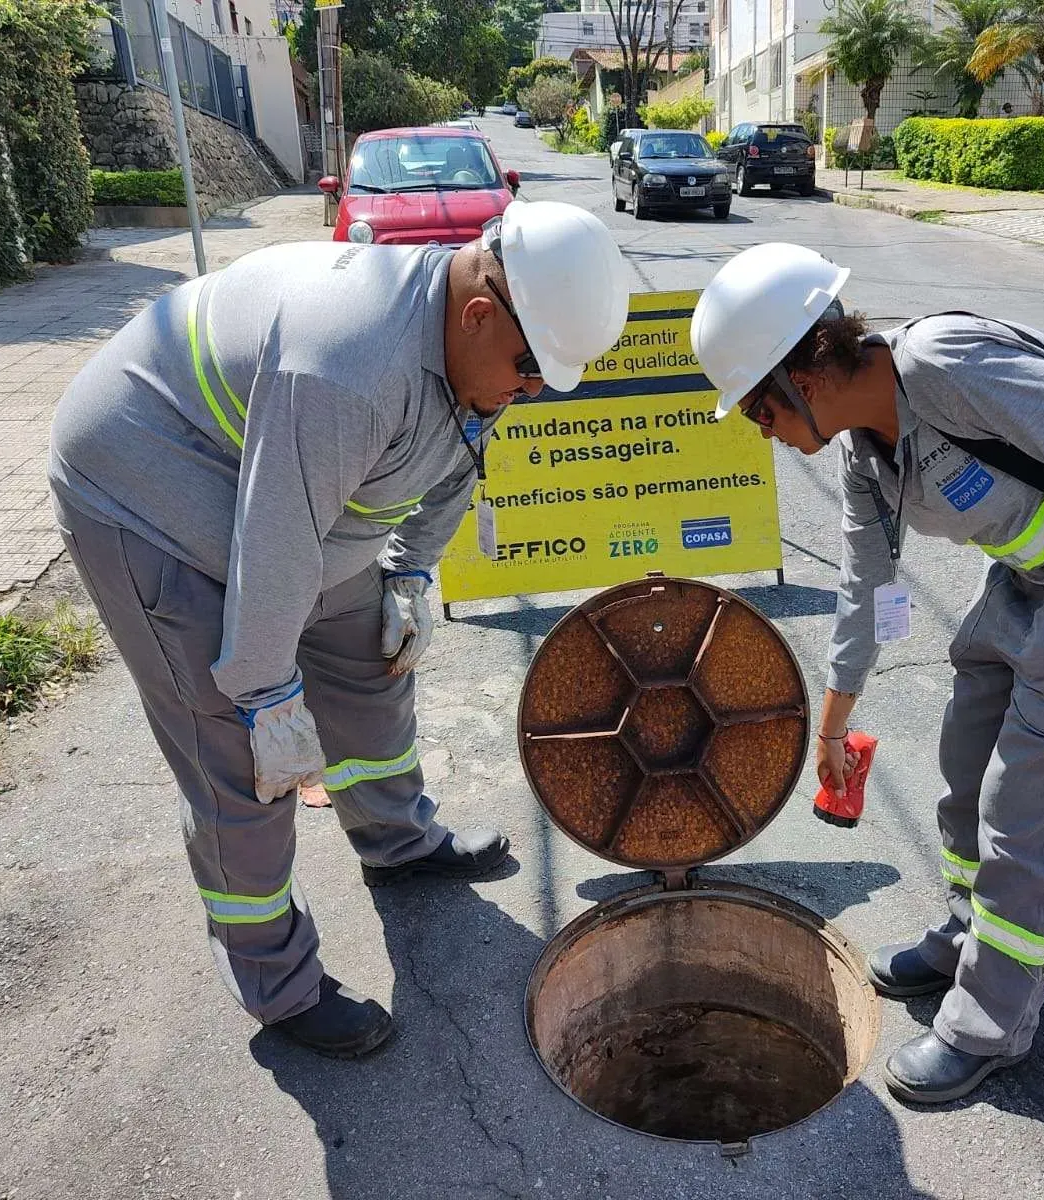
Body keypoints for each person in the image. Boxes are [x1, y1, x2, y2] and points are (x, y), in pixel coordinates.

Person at [48, 201, 631, 1059]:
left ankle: (396, 841)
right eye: (527, 369)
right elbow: (275, 543)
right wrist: (265, 692)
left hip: (279, 489)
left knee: (368, 659)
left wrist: (405, 570)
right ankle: (277, 985)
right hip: (147, 487)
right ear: (480, 311)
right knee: (240, 758)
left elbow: (458, 458)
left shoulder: (482, 347)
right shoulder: (348, 369)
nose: (531, 390)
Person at [690, 243, 1044, 1104]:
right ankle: (970, 933)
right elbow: (862, 588)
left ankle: (991, 1022)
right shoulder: (866, 456)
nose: (766, 434)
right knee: (965, 760)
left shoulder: (942, 363)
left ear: (804, 373)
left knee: (1030, 808)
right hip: (1029, 579)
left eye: (758, 411)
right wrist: (830, 726)